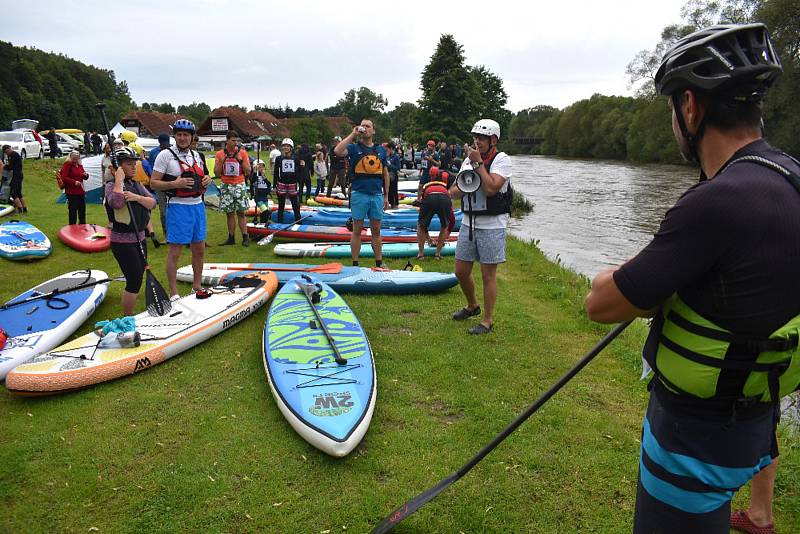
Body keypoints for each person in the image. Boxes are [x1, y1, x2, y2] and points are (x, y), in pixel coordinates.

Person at [583, 24, 796, 534]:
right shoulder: (790, 177)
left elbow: (601, 303)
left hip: (693, 437)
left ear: (690, 107)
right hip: (755, 422)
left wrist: (639, 264)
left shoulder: (713, 203)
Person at [448, 119, 513, 335]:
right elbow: (455, 190)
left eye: (482, 138)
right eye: (475, 137)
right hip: (468, 222)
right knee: (461, 271)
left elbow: (492, 188)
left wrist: (479, 165)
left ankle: (487, 320)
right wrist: (459, 185)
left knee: (488, 275)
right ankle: (472, 306)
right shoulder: (468, 161)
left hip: (492, 225)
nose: (477, 141)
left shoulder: (502, 160)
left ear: (493, 140)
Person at [150, 119, 212, 297]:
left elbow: (204, 177)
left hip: (198, 206)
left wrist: (207, 180)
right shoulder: (165, 155)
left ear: (192, 137)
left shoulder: (198, 156)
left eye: (186, 135)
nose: (183, 138)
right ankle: (174, 292)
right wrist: (175, 183)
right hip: (178, 207)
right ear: (175, 136)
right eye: (179, 135)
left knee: (199, 249)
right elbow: (153, 183)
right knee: (175, 251)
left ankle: (197, 286)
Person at [105, 147, 157, 315]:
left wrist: (137, 198)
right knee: (134, 280)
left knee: (138, 275)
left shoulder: (136, 185)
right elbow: (117, 203)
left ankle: (130, 312)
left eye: (135, 163)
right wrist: (119, 179)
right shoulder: (111, 185)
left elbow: (153, 203)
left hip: (140, 238)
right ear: (119, 167)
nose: (134, 167)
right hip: (122, 242)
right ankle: (128, 317)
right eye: (129, 164)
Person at [334, 119, 389, 267]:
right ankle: (355, 263)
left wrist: (386, 196)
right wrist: (353, 134)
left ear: (373, 130)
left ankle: (379, 262)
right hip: (359, 193)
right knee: (357, 229)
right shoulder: (353, 148)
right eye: (363, 125)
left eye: (368, 126)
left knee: (376, 229)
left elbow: (385, 174)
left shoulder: (381, 150)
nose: (365, 128)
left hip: (376, 194)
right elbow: (338, 151)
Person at [214, 130, 251, 247]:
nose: (235, 143)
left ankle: (245, 237)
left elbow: (248, 171)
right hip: (226, 184)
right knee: (229, 213)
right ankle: (231, 237)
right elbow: (216, 172)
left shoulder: (243, 153)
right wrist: (223, 160)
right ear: (227, 140)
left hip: (239, 184)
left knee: (241, 212)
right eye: (233, 140)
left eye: (236, 140)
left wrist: (239, 160)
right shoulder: (220, 154)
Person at [417, 166, 453, 260]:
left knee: (421, 225)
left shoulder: (426, 185)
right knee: (444, 226)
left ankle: (421, 254)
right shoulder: (445, 183)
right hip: (445, 198)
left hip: (430, 197)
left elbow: (423, 199)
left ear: (430, 176)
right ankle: (437, 254)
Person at [273, 138, 303, 224]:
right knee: (281, 205)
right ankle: (279, 223)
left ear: (291, 148)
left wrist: (299, 183)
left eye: (287, 146)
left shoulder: (296, 158)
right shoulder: (279, 158)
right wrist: (274, 185)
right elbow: (276, 172)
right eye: (284, 146)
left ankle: (298, 222)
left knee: (295, 205)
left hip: (292, 184)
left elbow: (299, 172)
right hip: (281, 183)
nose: (286, 147)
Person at [148, 134, 172, 237]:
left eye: (166, 142)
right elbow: (150, 167)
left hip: (173, 185)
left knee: (175, 210)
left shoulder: (173, 152)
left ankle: (177, 234)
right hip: (160, 185)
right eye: (163, 143)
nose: (165, 145)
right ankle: (166, 234)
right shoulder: (154, 153)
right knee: (163, 211)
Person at [59, 150, 88, 225]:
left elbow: (84, 176)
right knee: (73, 210)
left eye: (77, 158)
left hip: (81, 191)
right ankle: (72, 227)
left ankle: (83, 226)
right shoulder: (67, 165)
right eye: (74, 158)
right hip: (72, 192)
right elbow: (64, 177)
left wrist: (86, 175)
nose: (75, 160)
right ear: (70, 157)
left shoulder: (80, 165)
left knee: (82, 210)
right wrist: (74, 182)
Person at [2, 145, 28, 214]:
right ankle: (25, 209)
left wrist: (5, 166)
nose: (6, 153)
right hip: (18, 175)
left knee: (13, 193)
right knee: (19, 193)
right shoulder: (13, 155)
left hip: (17, 176)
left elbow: (11, 167)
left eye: (6, 152)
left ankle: (20, 209)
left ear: (8, 149)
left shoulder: (13, 155)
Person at [250, 159, 272, 224]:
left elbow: (269, 184)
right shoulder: (254, 176)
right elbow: (252, 180)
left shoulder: (263, 176)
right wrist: (254, 172)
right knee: (265, 210)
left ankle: (263, 223)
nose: (261, 168)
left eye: (262, 166)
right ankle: (262, 222)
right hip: (258, 197)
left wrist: (264, 177)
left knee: (265, 211)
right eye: (259, 167)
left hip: (264, 197)